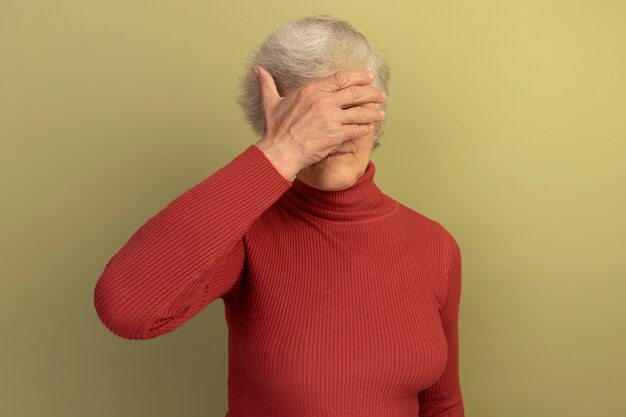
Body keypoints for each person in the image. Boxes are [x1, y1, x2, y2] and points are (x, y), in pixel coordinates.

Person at [93, 14, 465, 417]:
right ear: (273, 123)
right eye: (310, 118)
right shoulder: (246, 232)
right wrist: (282, 151)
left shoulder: (435, 245)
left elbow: (442, 403)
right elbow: (126, 310)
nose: (333, 132)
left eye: (349, 109)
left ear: (378, 116)